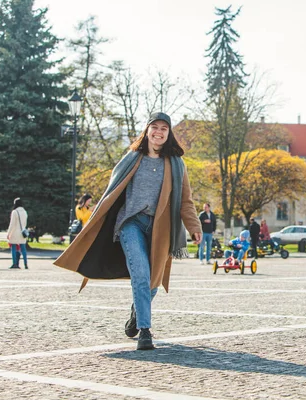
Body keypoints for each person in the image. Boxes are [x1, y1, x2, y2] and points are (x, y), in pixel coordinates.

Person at [54, 112, 202, 351]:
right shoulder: (133, 158)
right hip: (130, 224)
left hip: (160, 229)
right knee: (141, 274)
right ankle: (145, 331)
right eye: (155, 127)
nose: (159, 132)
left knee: (152, 282)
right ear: (147, 130)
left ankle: (136, 312)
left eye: (164, 128)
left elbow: (186, 201)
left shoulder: (176, 164)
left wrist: (194, 227)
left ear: (169, 133)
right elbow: (110, 193)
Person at [7, 198, 28, 269]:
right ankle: (25, 264)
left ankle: (14, 263)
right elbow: (25, 223)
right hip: (22, 232)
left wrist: (8, 233)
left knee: (13, 248)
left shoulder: (14, 212)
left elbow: (12, 224)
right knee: (23, 248)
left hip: (15, 232)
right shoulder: (25, 212)